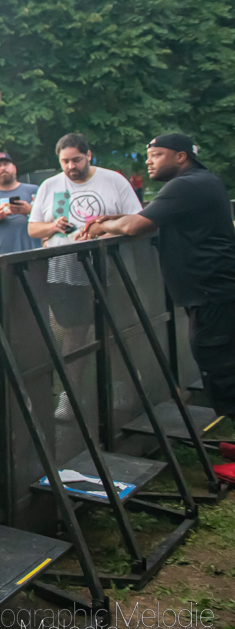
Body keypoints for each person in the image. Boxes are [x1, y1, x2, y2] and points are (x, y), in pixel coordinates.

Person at [78, 133, 235, 479]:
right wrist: (113, 218)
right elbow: (145, 214)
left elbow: (136, 225)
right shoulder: (199, 182)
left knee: (224, 368)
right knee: (221, 365)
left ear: (181, 156)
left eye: (157, 154)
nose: (149, 161)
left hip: (213, 294)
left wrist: (102, 226)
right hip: (213, 293)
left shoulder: (186, 185)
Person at [27, 133, 142, 343]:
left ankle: (121, 365)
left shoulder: (114, 180)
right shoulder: (50, 185)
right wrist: (52, 226)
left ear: (88, 155)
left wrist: (102, 236)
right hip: (67, 272)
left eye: (76, 160)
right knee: (73, 331)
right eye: (65, 161)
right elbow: (33, 229)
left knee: (118, 330)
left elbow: (136, 220)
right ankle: (75, 367)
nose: (71, 166)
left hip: (112, 267)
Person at [0, 151, 41, 254]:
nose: (3, 168)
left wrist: (30, 211)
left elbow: (49, 220)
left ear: (15, 168)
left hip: (33, 255)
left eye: (6, 164)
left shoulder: (34, 191)